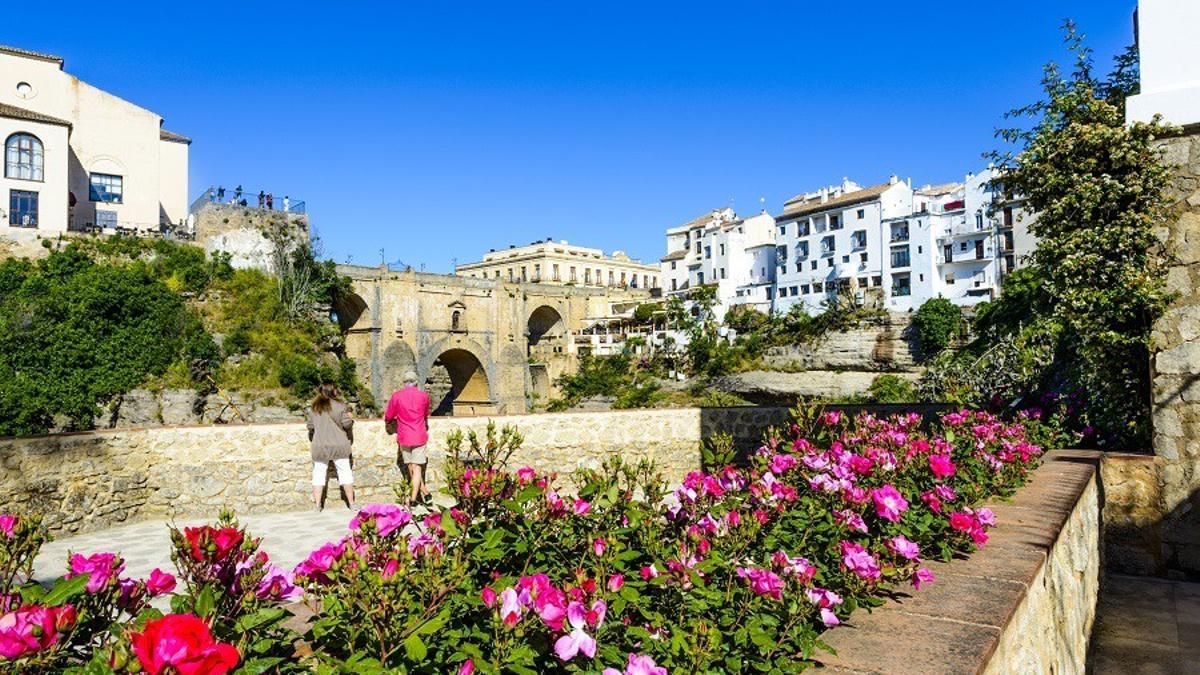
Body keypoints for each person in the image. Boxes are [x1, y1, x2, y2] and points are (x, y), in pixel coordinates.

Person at [384, 371, 432, 507]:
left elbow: (388, 416)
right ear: (416, 382)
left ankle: (413, 499)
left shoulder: (397, 396)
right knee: (415, 467)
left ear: (404, 383)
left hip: (404, 436)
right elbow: (425, 414)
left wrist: (389, 420)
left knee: (411, 466)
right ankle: (425, 492)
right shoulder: (424, 396)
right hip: (419, 435)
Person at [306, 383, 355, 510]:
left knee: (318, 474)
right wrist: (351, 419)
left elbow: (310, 427)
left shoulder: (314, 408)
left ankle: (318, 505)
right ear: (333, 392)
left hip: (320, 445)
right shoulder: (340, 406)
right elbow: (346, 425)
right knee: (345, 473)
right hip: (339, 445)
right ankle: (351, 503)